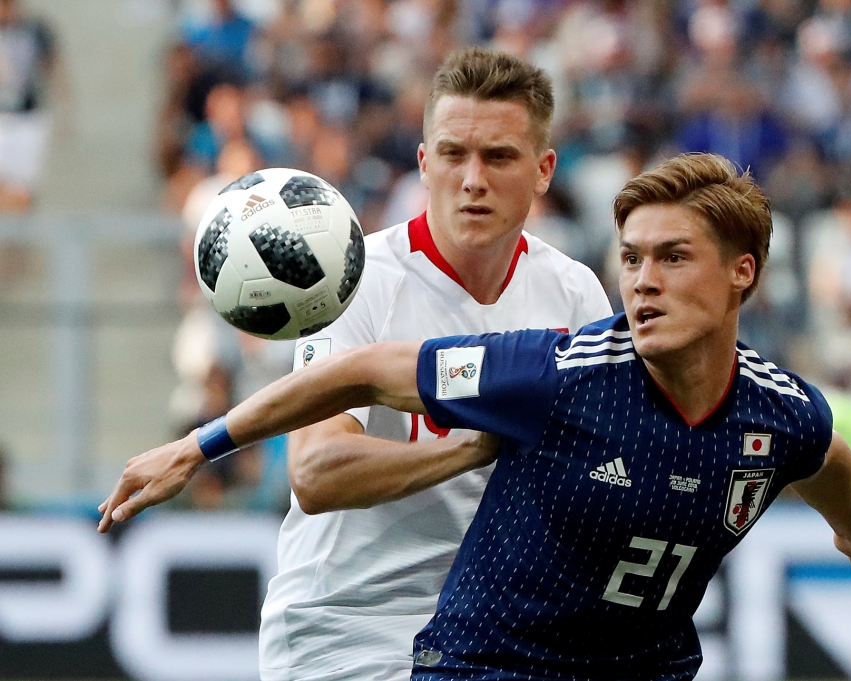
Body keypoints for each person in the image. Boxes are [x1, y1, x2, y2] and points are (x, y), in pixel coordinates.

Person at [100, 153, 851, 681]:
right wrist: (199, 444)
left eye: (673, 257)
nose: (643, 279)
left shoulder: (779, 409)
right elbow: (364, 371)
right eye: (633, 257)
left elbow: (822, 453)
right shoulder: (557, 372)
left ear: (741, 274)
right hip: (489, 667)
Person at [100, 47, 612, 681]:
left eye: (499, 156)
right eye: (453, 154)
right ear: (424, 164)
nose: (472, 178)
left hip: (493, 625)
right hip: (350, 626)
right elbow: (316, 471)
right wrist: (470, 451)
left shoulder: (575, 294)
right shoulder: (355, 281)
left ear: (543, 170)